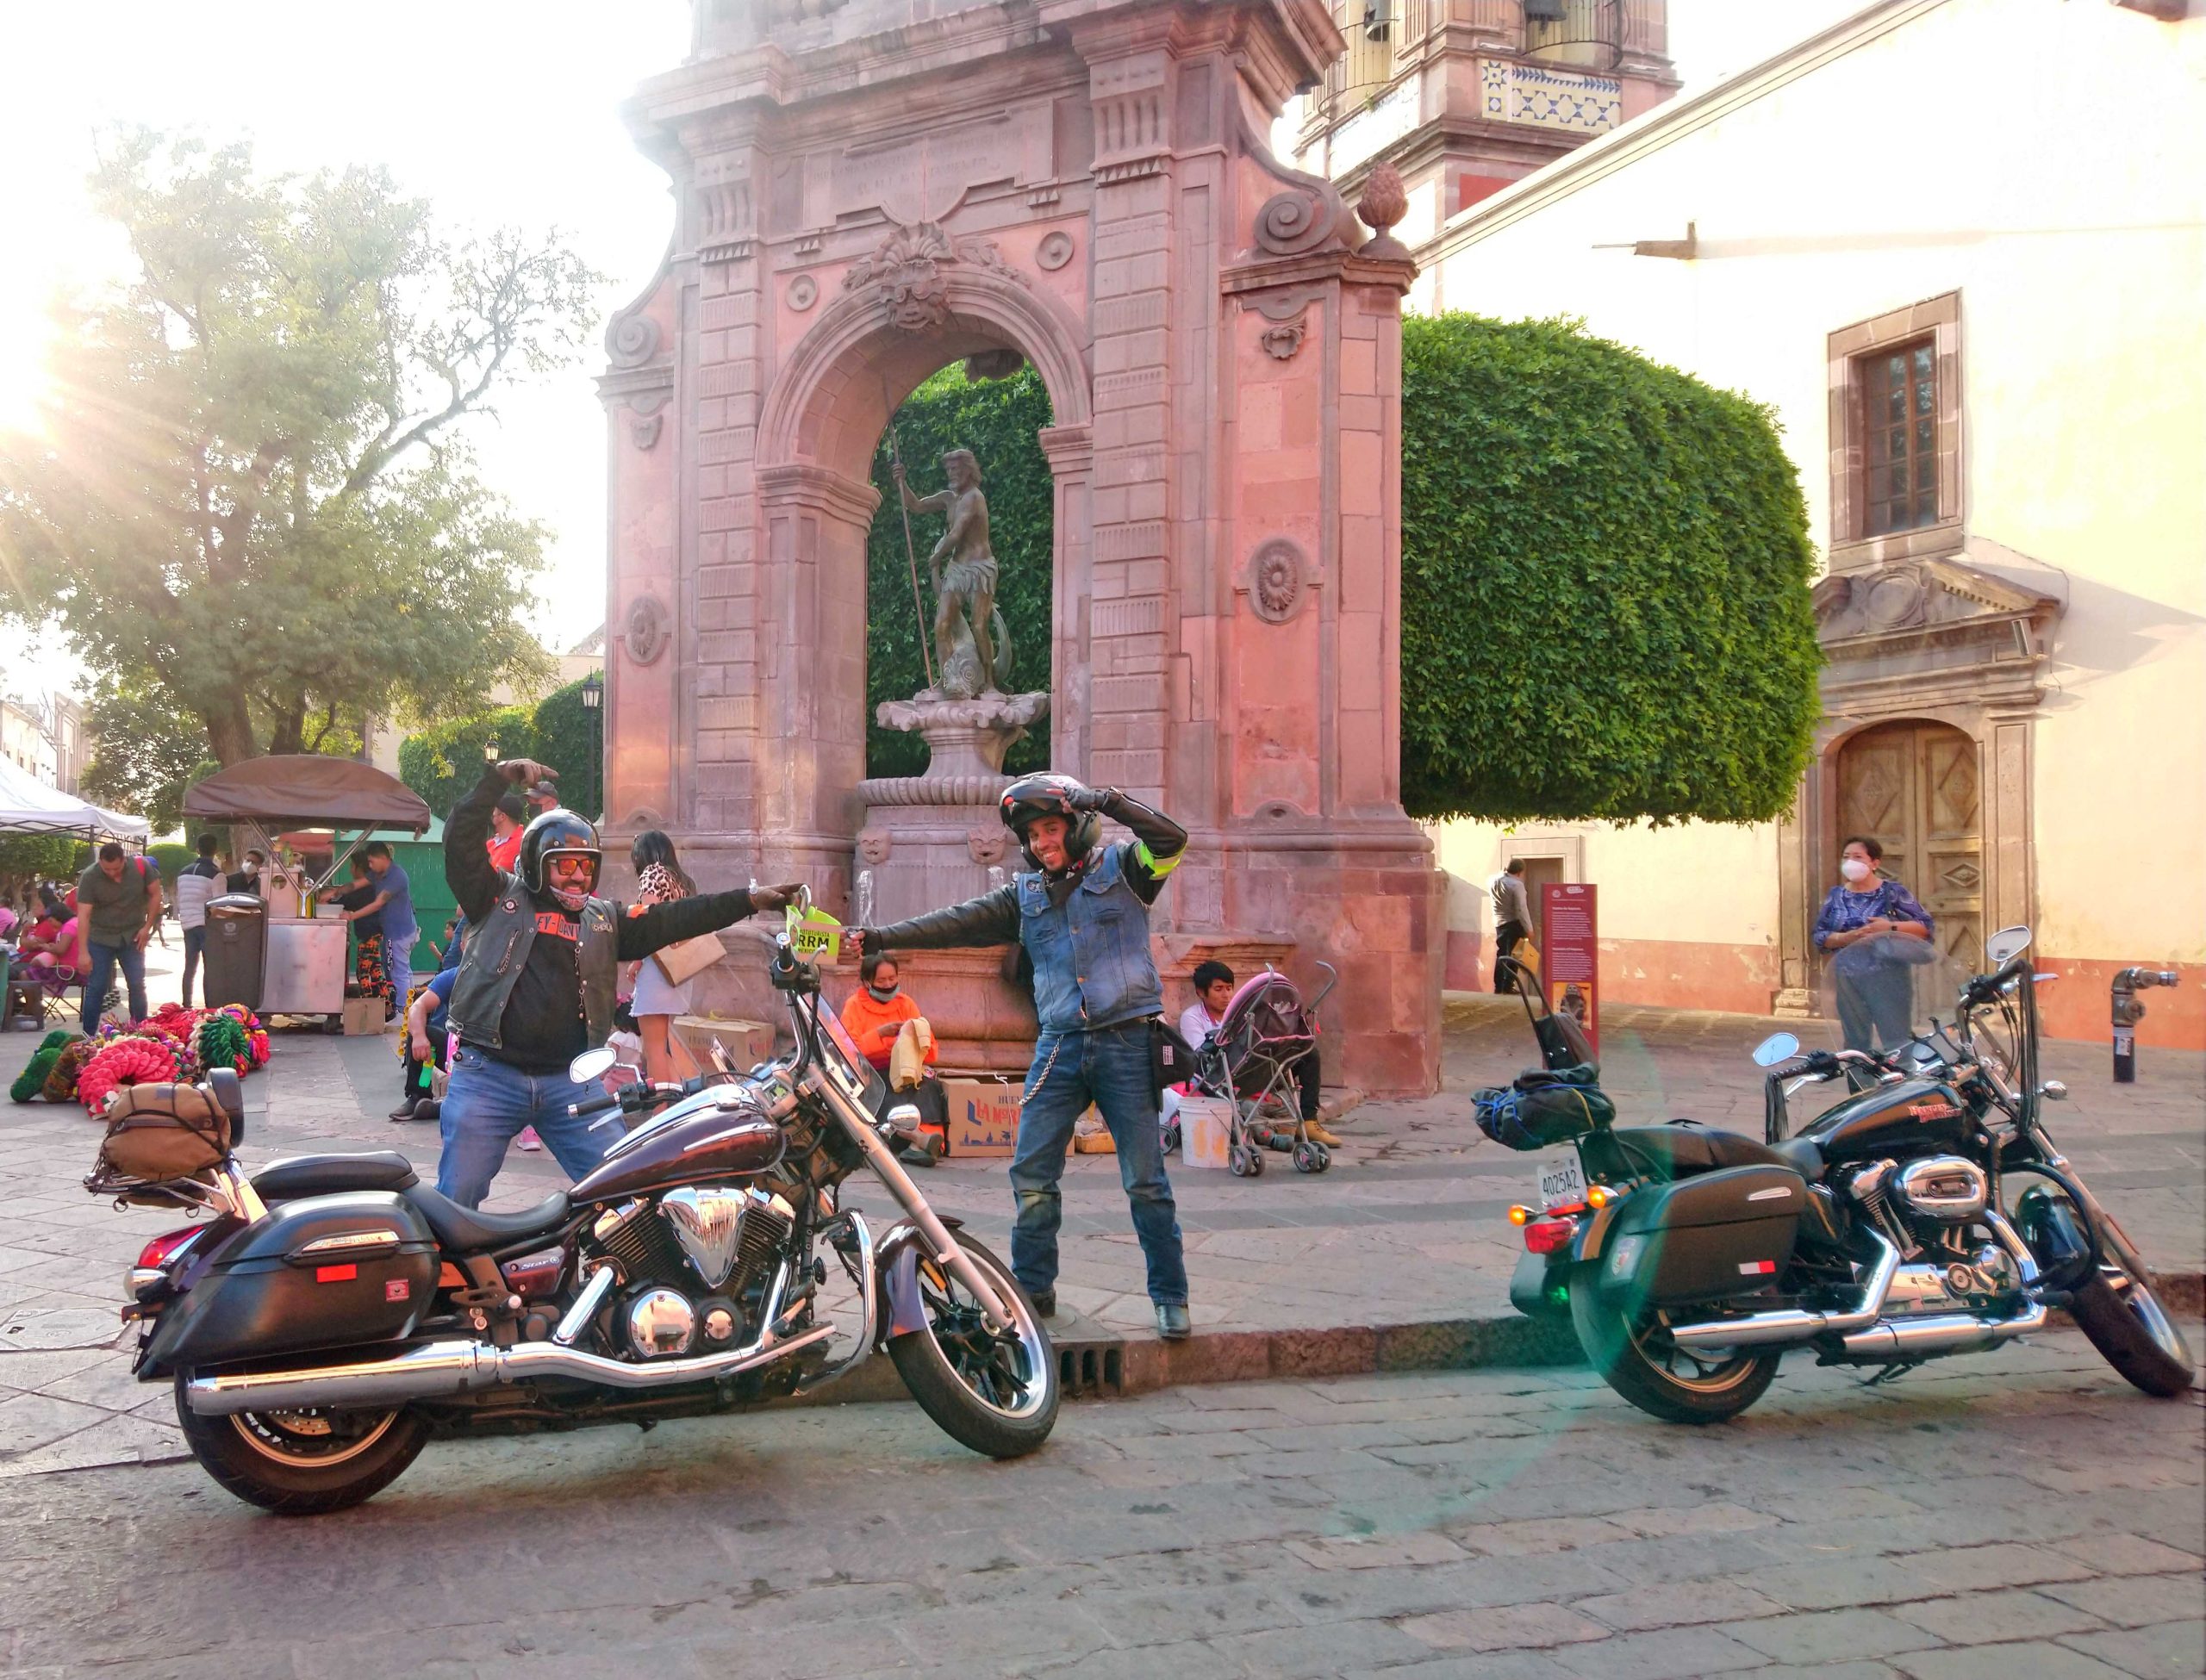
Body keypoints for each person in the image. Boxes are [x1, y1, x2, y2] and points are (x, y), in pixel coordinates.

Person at [848, 773, 1193, 1340]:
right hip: (1059, 1044)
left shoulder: (1127, 872)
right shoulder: (1025, 896)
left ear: (1077, 828)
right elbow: (957, 924)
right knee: (1031, 1173)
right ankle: (1033, 1292)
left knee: (1146, 1182)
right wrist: (882, 933)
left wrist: (1106, 800)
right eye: (1032, 836)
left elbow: (1172, 841)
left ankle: (1170, 1297)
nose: (1040, 844)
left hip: (1126, 1042)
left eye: (1051, 829)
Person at [438, 756, 801, 1209]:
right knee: (458, 1197)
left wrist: (747, 900)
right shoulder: (494, 897)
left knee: (628, 1195)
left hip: (573, 1080)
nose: (578, 877)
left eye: (586, 866)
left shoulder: (604, 919)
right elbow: (459, 846)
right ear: (535, 863)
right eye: (564, 865)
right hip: (489, 1075)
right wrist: (494, 781)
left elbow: (674, 917)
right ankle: (452, 1278)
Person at [1175, 960, 1337, 1148]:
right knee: (1247, 1108)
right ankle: (1269, 1136)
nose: (1226, 995)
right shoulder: (1192, 1017)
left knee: (1309, 1055)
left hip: (1254, 1068)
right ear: (1201, 993)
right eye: (1218, 989)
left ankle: (1309, 1120)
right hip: (1221, 1077)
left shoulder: (1243, 1013)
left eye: (1229, 988)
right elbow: (1202, 1053)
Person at [1813, 835, 1935, 1055]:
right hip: (1848, 979)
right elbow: (1820, 935)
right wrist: (1846, 938)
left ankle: (1903, 1086)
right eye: (1846, 857)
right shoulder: (1836, 895)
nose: (1851, 862)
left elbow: (1925, 926)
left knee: (1897, 1041)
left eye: (1858, 857)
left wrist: (1889, 927)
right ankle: (1862, 1088)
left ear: (1874, 863)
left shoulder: (1893, 892)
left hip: (1889, 979)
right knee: (1855, 1045)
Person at [838, 949, 946, 1167]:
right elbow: (847, 1049)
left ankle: (927, 1143)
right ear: (867, 982)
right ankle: (915, 1139)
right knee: (884, 1091)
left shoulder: (906, 1004)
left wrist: (913, 1037)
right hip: (871, 1073)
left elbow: (931, 1049)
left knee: (929, 1088)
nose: (888, 984)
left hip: (905, 1071)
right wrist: (880, 1034)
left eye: (892, 978)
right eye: (881, 980)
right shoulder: (854, 1006)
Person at [622, 830, 708, 1087]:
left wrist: (636, 960)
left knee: (654, 1049)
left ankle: (661, 1109)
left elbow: (649, 920)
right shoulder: (682, 880)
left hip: (657, 970)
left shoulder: (653, 873)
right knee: (663, 1047)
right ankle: (678, 1100)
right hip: (679, 970)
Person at [74, 843, 162, 1029]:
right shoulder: (90, 876)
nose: (112, 873)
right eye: (107, 869)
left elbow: (156, 894)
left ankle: (140, 1031)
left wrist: (147, 927)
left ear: (124, 860)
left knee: (137, 985)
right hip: (100, 937)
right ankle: (88, 1036)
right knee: (96, 988)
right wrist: (83, 952)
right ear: (100, 862)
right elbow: (83, 915)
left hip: (132, 936)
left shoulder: (141, 867)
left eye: (116, 868)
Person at [394, 963, 458, 1123]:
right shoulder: (453, 976)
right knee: (425, 1034)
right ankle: (418, 1096)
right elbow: (418, 1006)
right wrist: (419, 1036)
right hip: (458, 1051)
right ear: (463, 947)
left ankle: (439, 1107)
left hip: (495, 1055)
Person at [327, 856, 389, 1005]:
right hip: (376, 934)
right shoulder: (375, 885)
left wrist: (326, 897)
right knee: (376, 972)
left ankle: (368, 1007)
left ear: (359, 868)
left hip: (370, 936)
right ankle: (385, 1007)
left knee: (363, 973)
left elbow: (344, 901)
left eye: (352, 866)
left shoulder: (363, 888)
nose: (350, 870)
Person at [174, 835, 224, 1007]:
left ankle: (186, 1004)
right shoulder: (217, 875)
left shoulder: (183, 872)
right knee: (210, 968)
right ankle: (210, 1005)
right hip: (207, 925)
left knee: (190, 966)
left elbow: (180, 897)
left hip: (187, 924)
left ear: (197, 849)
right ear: (216, 850)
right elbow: (220, 904)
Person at [1490, 858, 1532, 993]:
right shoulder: (1516, 885)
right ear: (1520, 872)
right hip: (1513, 923)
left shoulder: (1493, 880)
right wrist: (1529, 928)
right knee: (1514, 955)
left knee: (1501, 954)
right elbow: (1521, 909)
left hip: (1499, 922)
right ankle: (1508, 986)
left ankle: (1499, 986)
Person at [486, 794, 527, 874]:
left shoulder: (518, 843)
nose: (490, 814)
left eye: (493, 810)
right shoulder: (492, 842)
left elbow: (496, 877)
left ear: (502, 816)